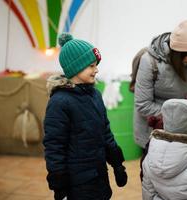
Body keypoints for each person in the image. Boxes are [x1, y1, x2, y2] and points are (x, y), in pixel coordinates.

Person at [43, 33, 127, 200]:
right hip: (77, 183)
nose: (96, 70)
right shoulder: (59, 102)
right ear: (76, 67)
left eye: (96, 65)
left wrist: (117, 164)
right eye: (91, 65)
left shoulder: (95, 95)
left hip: (99, 176)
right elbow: (54, 147)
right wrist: (60, 185)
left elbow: (105, 132)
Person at [133, 18, 187, 149]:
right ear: (176, 53)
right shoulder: (149, 61)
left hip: (182, 127)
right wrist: (179, 115)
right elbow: (143, 104)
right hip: (153, 129)